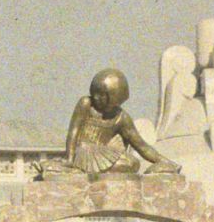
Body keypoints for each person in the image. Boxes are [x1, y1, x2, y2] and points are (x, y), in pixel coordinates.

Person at [43, 69, 182, 179]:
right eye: (95, 93)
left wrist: (165, 161)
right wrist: (69, 159)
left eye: (102, 94)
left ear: (115, 97)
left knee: (133, 163)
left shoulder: (122, 118)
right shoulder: (86, 104)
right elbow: (73, 132)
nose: (96, 97)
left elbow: (141, 146)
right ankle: (77, 168)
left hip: (104, 155)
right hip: (82, 152)